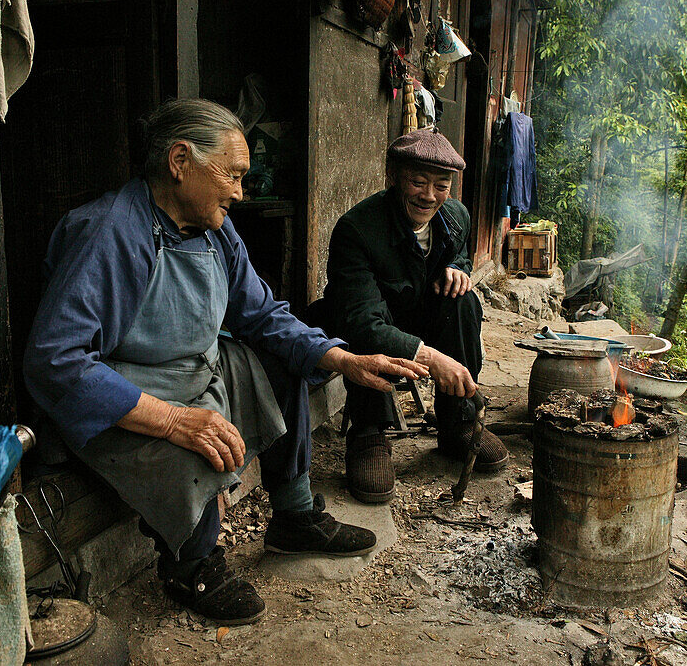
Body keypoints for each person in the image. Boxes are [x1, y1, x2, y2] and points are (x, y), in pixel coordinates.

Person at [23, 98, 426, 625]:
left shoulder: (213, 228)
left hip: (195, 370)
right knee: (198, 444)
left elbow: (261, 314)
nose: (240, 191)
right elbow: (55, 362)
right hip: (122, 393)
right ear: (180, 161)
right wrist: (172, 419)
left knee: (285, 363)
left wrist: (342, 358)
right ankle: (190, 565)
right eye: (232, 175)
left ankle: (295, 514)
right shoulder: (112, 232)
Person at [322, 129, 509, 504]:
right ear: (393, 177)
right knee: (365, 336)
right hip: (367, 322)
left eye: (440, 186)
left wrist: (458, 267)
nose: (429, 196)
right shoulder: (357, 229)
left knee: (464, 302)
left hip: (418, 313)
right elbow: (363, 322)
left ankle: (457, 422)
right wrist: (430, 357)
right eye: (418, 182)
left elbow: (461, 255)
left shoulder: (456, 217)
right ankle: (369, 432)